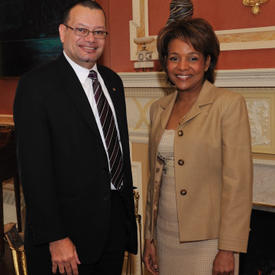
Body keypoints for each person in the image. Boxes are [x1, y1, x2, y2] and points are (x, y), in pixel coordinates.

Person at [13, 1, 137, 275]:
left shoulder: (112, 81)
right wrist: (56, 237)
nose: (91, 39)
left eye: (99, 32)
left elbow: (115, 151)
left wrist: (126, 226)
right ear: (62, 32)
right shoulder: (36, 86)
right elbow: (34, 172)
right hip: (66, 239)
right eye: (81, 30)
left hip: (113, 231)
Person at [143, 18, 253, 275]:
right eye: (174, 58)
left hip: (209, 242)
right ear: (165, 63)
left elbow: (238, 183)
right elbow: (153, 181)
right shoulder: (157, 110)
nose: (182, 67)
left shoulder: (228, 105)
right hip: (165, 235)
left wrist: (228, 249)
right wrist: (149, 238)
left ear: (207, 62)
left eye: (192, 58)